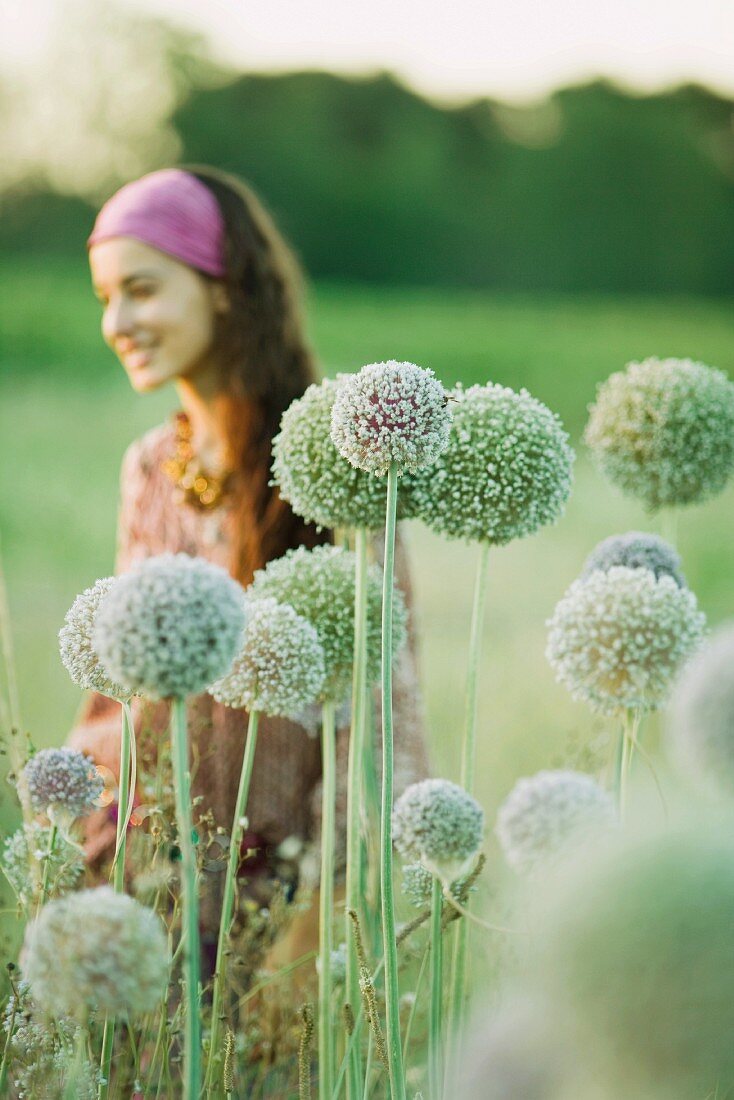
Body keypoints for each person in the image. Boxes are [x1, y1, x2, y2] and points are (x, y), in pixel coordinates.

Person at [68, 166, 430, 956]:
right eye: (106, 298)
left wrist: (320, 929)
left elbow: (382, 722)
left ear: (223, 286)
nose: (118, 321)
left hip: (288, 917)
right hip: (152, 901)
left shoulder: (342, 460)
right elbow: (116, 702)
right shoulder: (150, 467)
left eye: (143, 288)